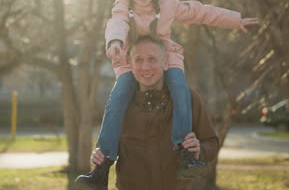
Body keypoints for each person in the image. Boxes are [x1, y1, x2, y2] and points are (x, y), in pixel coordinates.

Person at [75, 0, 258, 189]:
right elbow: (116, 24)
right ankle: (102, 165)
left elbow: (199, 11)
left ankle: (185, 156)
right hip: (130, 62)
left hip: (168, 58)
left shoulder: (167, 4)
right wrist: (115, 43)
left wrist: (235, 20)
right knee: (117, 98)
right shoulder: (122, 7)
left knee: (180, 91)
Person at [77, 36, 220, 190]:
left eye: (152, 59)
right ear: (130, 65)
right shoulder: (119, 104)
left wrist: (199, 151)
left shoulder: (187, 97)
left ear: (165, 63)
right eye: (138, 60)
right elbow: (110, 146)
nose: (145, 67)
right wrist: (98, 155)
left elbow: (211, 143)